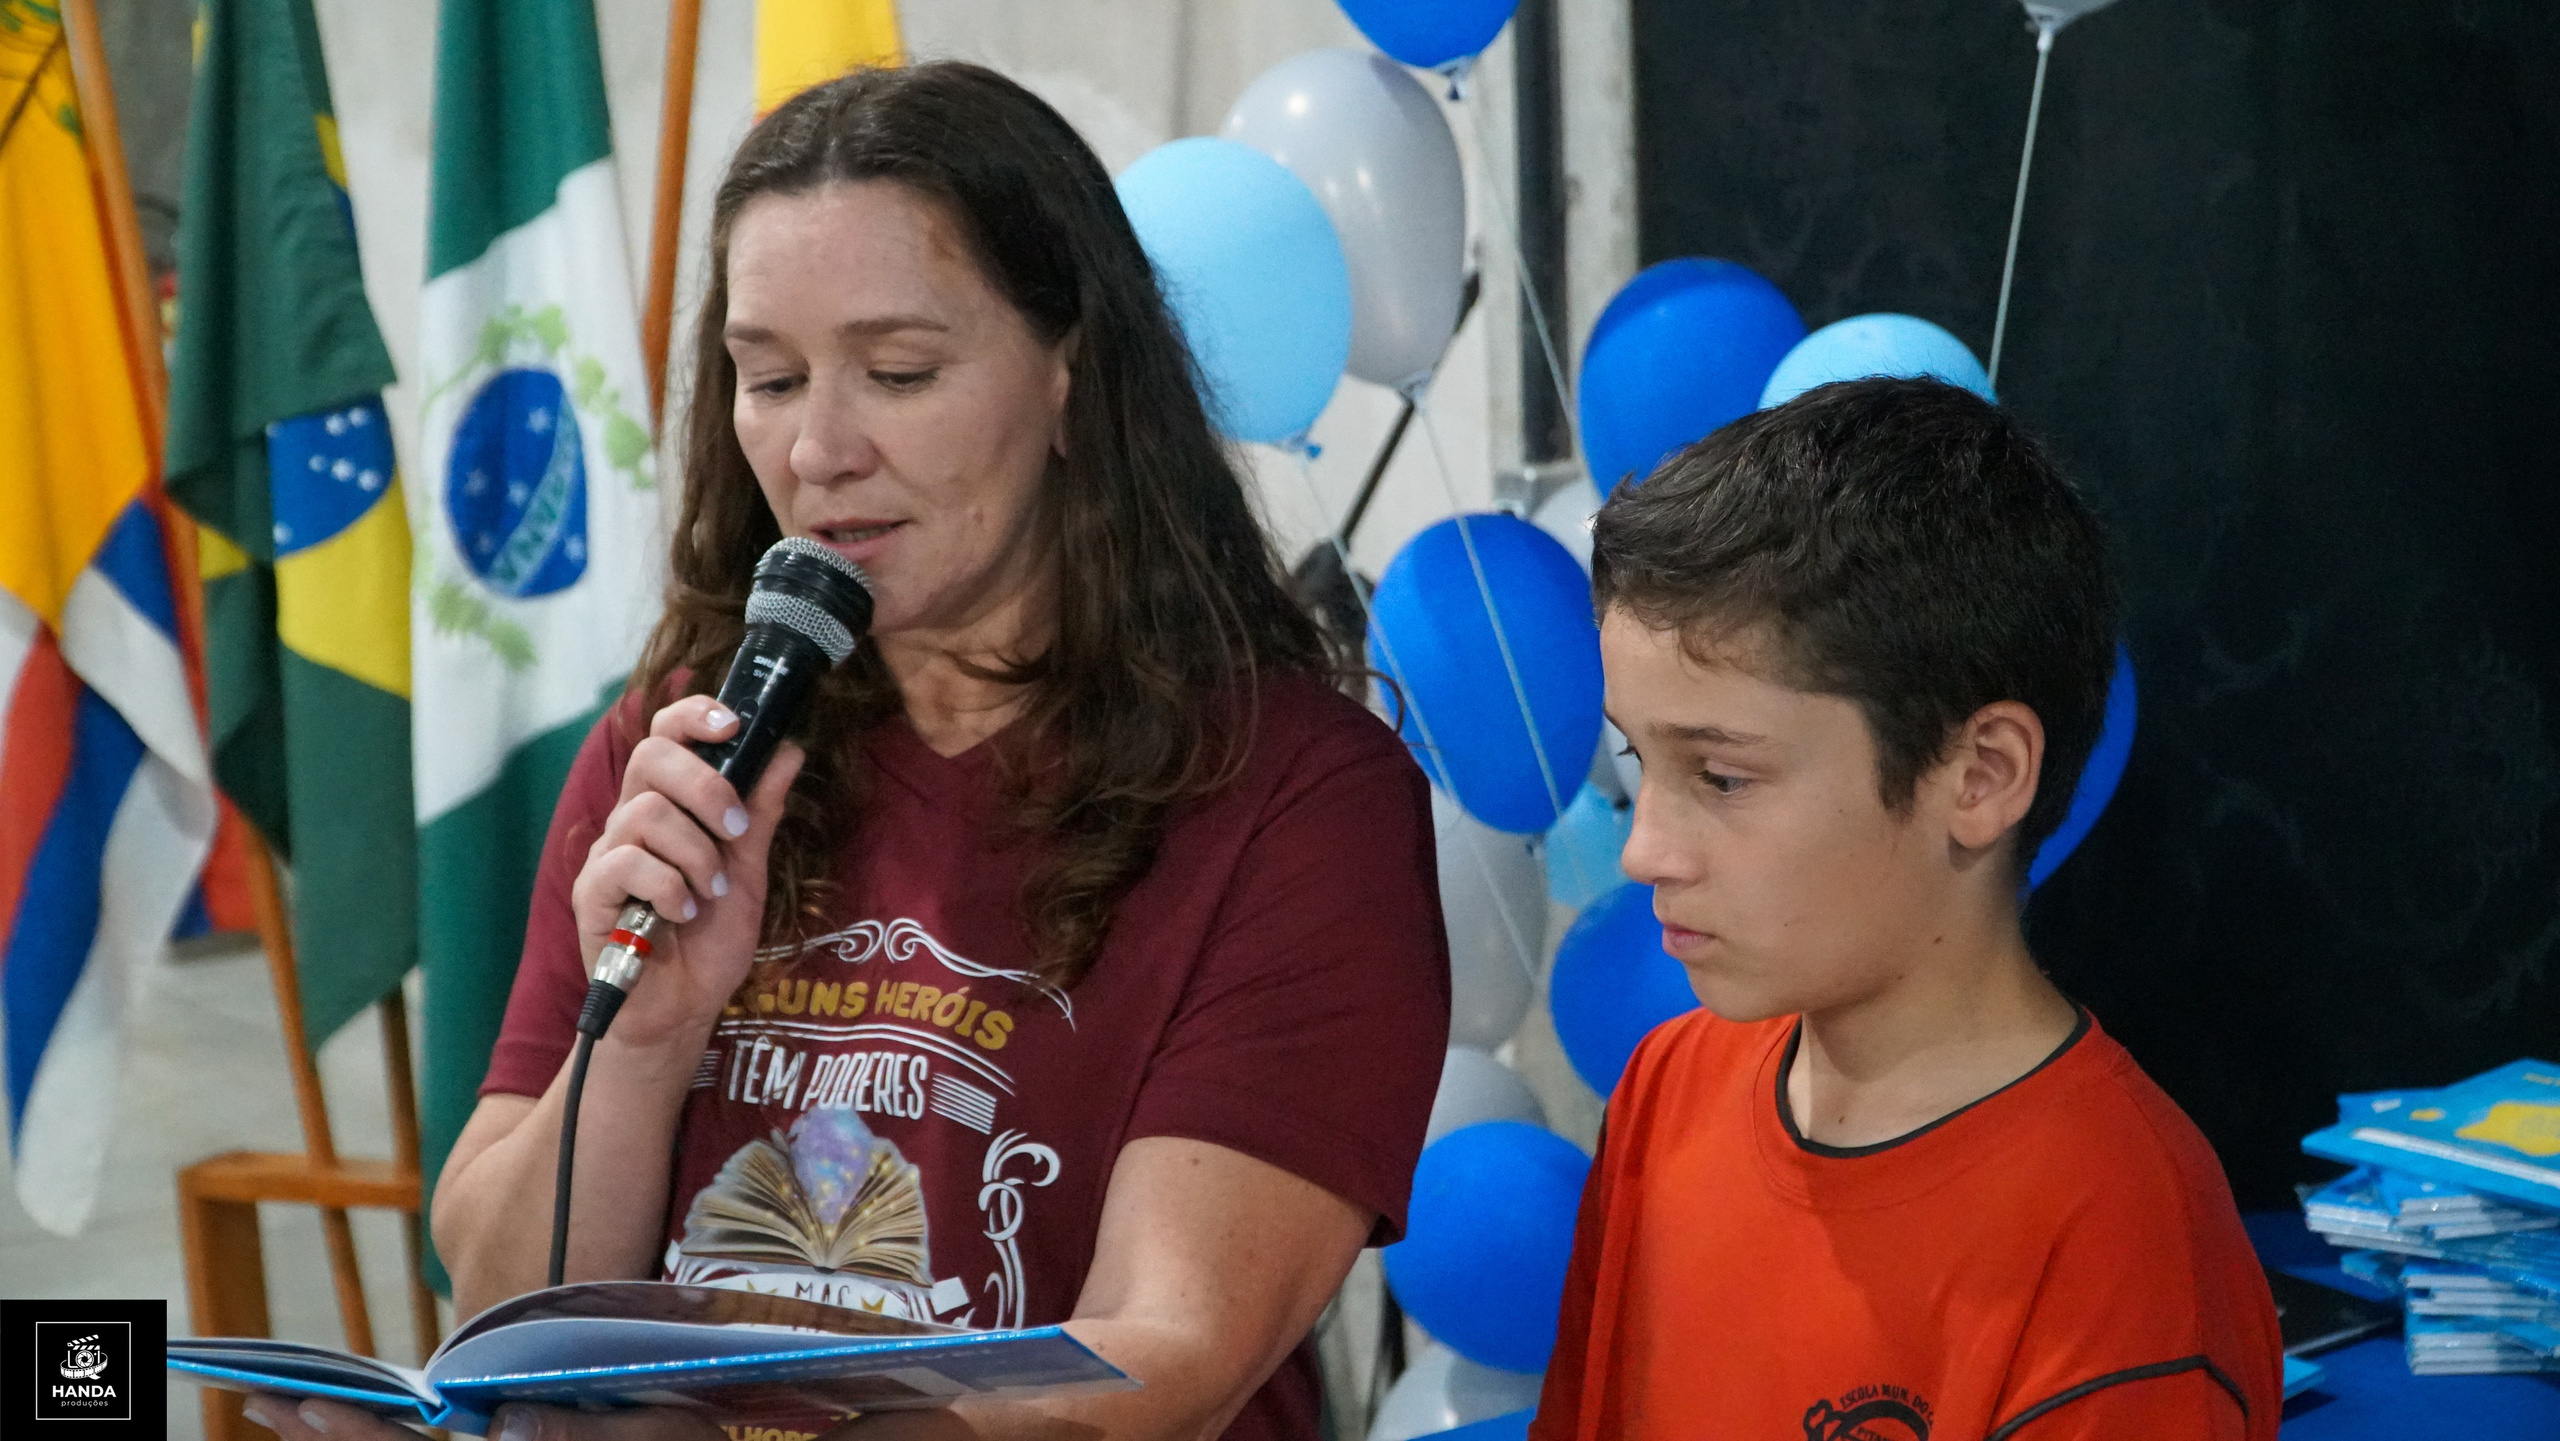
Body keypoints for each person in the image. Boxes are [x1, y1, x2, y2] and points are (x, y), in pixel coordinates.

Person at [246, 62, 1449, 1441]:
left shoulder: (1296, 798)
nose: (818, 449)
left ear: (1074, 376)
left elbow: (1161, 1362)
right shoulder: (687, 742)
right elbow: (502, 1304)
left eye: (898, 374)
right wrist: (645, 1041)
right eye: (768, 379)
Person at [1532, 379, 2282, 1440]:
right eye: (1635, 759)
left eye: (1724, 776)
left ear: (1980, 775)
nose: (1643, 847)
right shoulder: (1666, 1087)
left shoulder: (2118, 1232)